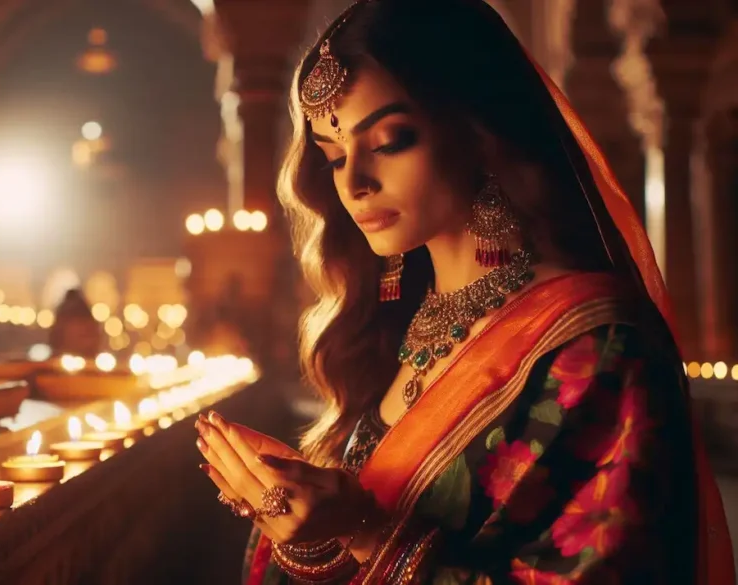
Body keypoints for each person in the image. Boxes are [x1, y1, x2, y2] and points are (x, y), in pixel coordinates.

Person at [194, 1, 735, 583]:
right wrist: (306, 533)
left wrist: (367, 533)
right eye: (333, 156)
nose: (354, 182)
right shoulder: (390, 327)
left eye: (390, 140)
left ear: (478, 131)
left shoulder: (597, 345)